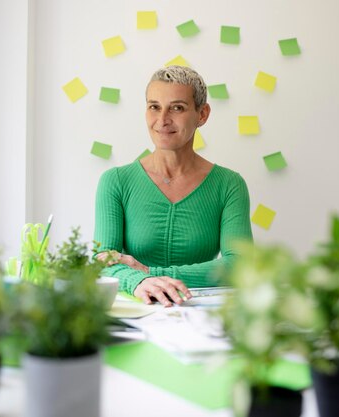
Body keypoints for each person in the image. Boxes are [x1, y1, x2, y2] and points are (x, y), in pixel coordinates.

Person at [94, 65, 253, 307]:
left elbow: (240, 263)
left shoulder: (229, 185)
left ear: (203, 114)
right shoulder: (115, 181)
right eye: (154, 107)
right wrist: (137, 282)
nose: (162, 120)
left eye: (177, 108)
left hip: (200, 311)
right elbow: (103, 261)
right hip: (136, 311)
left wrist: (149, 271)